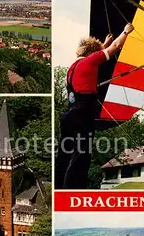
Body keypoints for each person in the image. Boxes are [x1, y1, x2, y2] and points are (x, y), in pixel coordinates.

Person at [55, 23, 135, 189]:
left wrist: (102, 45)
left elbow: (97, 53)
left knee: (65, 155)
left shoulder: (73, 66)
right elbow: (116, 46)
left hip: (69, 116)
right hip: (83, 116)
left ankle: (61, 188)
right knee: (81, 156)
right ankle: (74, 190)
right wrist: (126, 31)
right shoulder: (90, 61)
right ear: (92, 53)